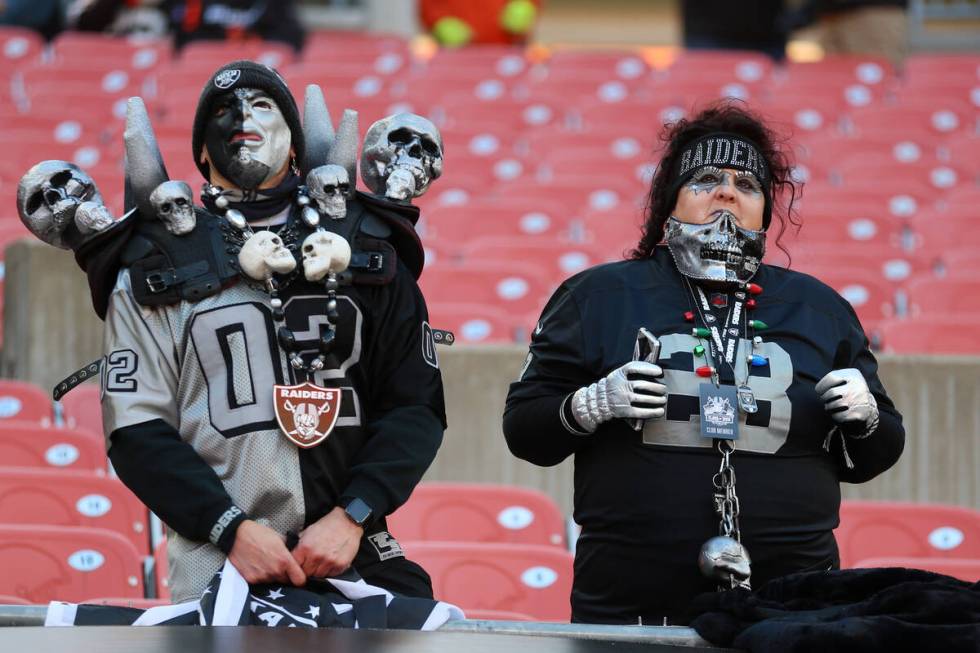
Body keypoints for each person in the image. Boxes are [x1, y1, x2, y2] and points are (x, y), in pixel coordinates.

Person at [502, 102, 905, 625]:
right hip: (631, 602)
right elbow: (524, 432)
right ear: (669, 201)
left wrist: (867, 417)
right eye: (706, 178)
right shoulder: (597, 295)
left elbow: (877, 455)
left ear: (766, 209)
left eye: (747, 184)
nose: (727, 192)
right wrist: (587, 404)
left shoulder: (820, 308)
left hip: (795, 602)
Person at [96, 60, 445, 602]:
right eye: (222, 110)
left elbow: (415, 407)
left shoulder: (369, 250)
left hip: (356, 552)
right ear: (203, 153)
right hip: (217, 561)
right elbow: (136, 430)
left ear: (294, 148)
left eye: (264, 107)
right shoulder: (151, 266)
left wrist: (353, 516)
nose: (242, 117)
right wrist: (229, 528)